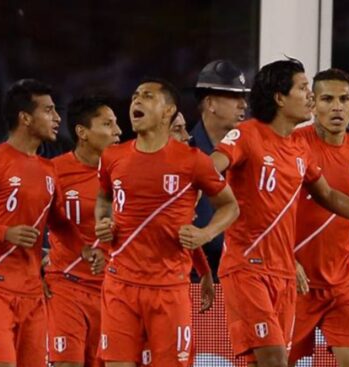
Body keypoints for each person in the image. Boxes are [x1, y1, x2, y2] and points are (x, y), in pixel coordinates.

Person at [210, 59, 349, 367]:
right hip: (261, 269)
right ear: (281, 98)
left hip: (310, 275)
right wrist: (221, 212)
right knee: (274, 359)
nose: (311, 98)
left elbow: (332, 197)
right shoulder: (251, 135)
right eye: (307, 90)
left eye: (343, 99)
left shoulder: (310, 151)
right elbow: (208, 170)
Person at [94, 78, 239, 367]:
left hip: (169, 288)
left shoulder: (193, 161)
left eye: (147, 96)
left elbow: (230, 206)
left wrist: (205, 233)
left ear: (167, 111)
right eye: (135, 95)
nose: (136, 100)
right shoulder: (112, 157)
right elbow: (104, 200)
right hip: (120, 284)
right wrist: (103, 222)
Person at [0, 79, 88, 367]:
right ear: (25, 118)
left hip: (33, 294)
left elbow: (61, 224)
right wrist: (4, 233)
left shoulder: (49, 170)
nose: (57, 118)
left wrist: (88, 250)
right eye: (49, 111)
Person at [289, 68, 349, 367]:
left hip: (342, 283)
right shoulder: (292, 145)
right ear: (312, 104)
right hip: (295, 281)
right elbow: (268, 211)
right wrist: (287, 259)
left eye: (344, 99)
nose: (336, 106)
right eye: (327, 98)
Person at [44, 95, 121, 367]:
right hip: (66, 288)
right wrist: (33, 268)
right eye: (108, 124)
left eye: (117, 124)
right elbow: (31, 221)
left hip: (112, 293)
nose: (118, 131)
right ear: (82, 132)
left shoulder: (125, 173)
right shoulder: (54, 172)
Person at [190, 59, 249, 280]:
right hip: (192, 276)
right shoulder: (183, 153)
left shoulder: (253, 155)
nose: (243, 104)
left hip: (245, 273)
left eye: (243, 97)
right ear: (210, 103)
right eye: (234, 97)